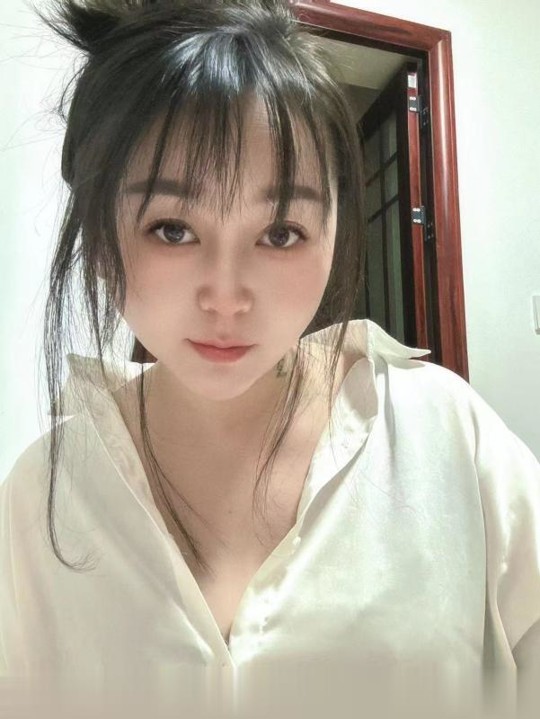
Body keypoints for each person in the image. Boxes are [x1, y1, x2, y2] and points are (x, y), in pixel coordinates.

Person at [1, 1, 539, 718]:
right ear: (100, 237)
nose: (227, 296)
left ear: (335, 229)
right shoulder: (44, 490)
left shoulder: (443, 431)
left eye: (281, 232)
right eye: (172, 228)